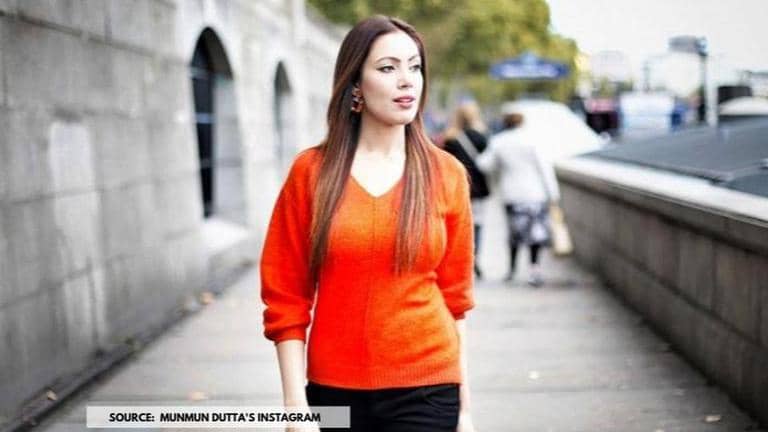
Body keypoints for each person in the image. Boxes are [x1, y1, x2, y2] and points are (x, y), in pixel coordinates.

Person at [260, 16, 477, 432]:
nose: (406, 80)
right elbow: (286, 296)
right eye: (388, 68)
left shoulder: (446, 173)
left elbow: (456, 300)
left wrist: (465, 412)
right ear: (355, 84)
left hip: (429, 389)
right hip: (332, 391)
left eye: (414, 67)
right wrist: (294, 407)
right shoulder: (311, 173)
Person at [477, 107, 560, 287]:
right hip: (535, 193)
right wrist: (553, 194)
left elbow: (484, 164)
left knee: (514, 233)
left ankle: (512, 269)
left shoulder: (499, 141)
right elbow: (545, 169)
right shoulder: (534, 140)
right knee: (535, 233)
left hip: (512, 194)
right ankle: (534, 269)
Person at [441, 101, 491, 279]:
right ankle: (474, 256)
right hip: (479, 189)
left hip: (456, 188)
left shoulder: (450, 138)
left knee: (458, 225)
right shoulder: (482, 137)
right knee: (477, 224)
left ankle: (461, 258)